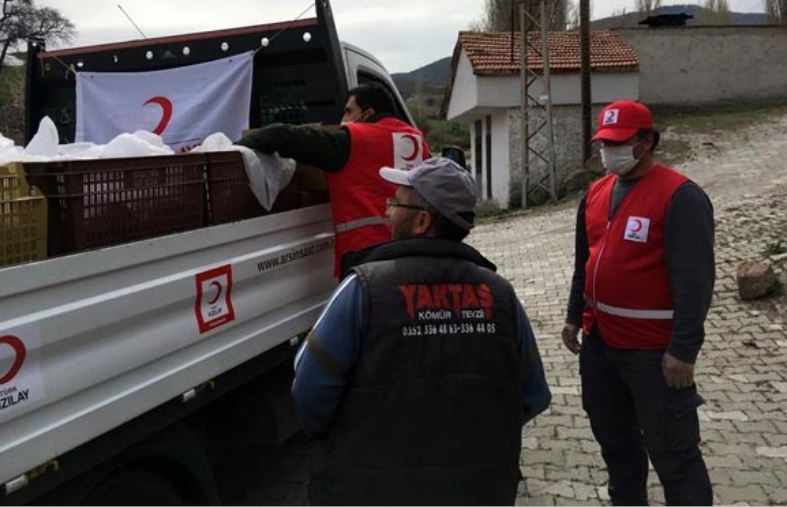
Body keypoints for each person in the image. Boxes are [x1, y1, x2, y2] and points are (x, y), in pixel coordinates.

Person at [292, 157, 551, 506]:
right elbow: (534, 395)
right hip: (479, 489)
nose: (388, 211)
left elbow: (310, 391)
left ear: (422, 221)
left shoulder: (364, 289)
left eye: (396, 202)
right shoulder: (501, 295)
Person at [561, 99, 715, 505]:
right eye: (603, 143)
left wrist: (683, 350)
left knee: (675, 457)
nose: (608, 152)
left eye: (618, 142)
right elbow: (585, 261)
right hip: (601, 346)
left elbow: (695, 282)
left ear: (646, 141)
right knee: (618, 449)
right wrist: (574, 315)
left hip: (653, 354)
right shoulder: (595, 193)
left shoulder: (681, 197)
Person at [236, 83, 429, 278]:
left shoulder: (354, 139)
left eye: (348, 112)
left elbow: (283, 136)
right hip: (415, 250)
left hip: (365, 255)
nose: (343, 119)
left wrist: (233, 149)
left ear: (368, 113)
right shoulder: (418, 141)